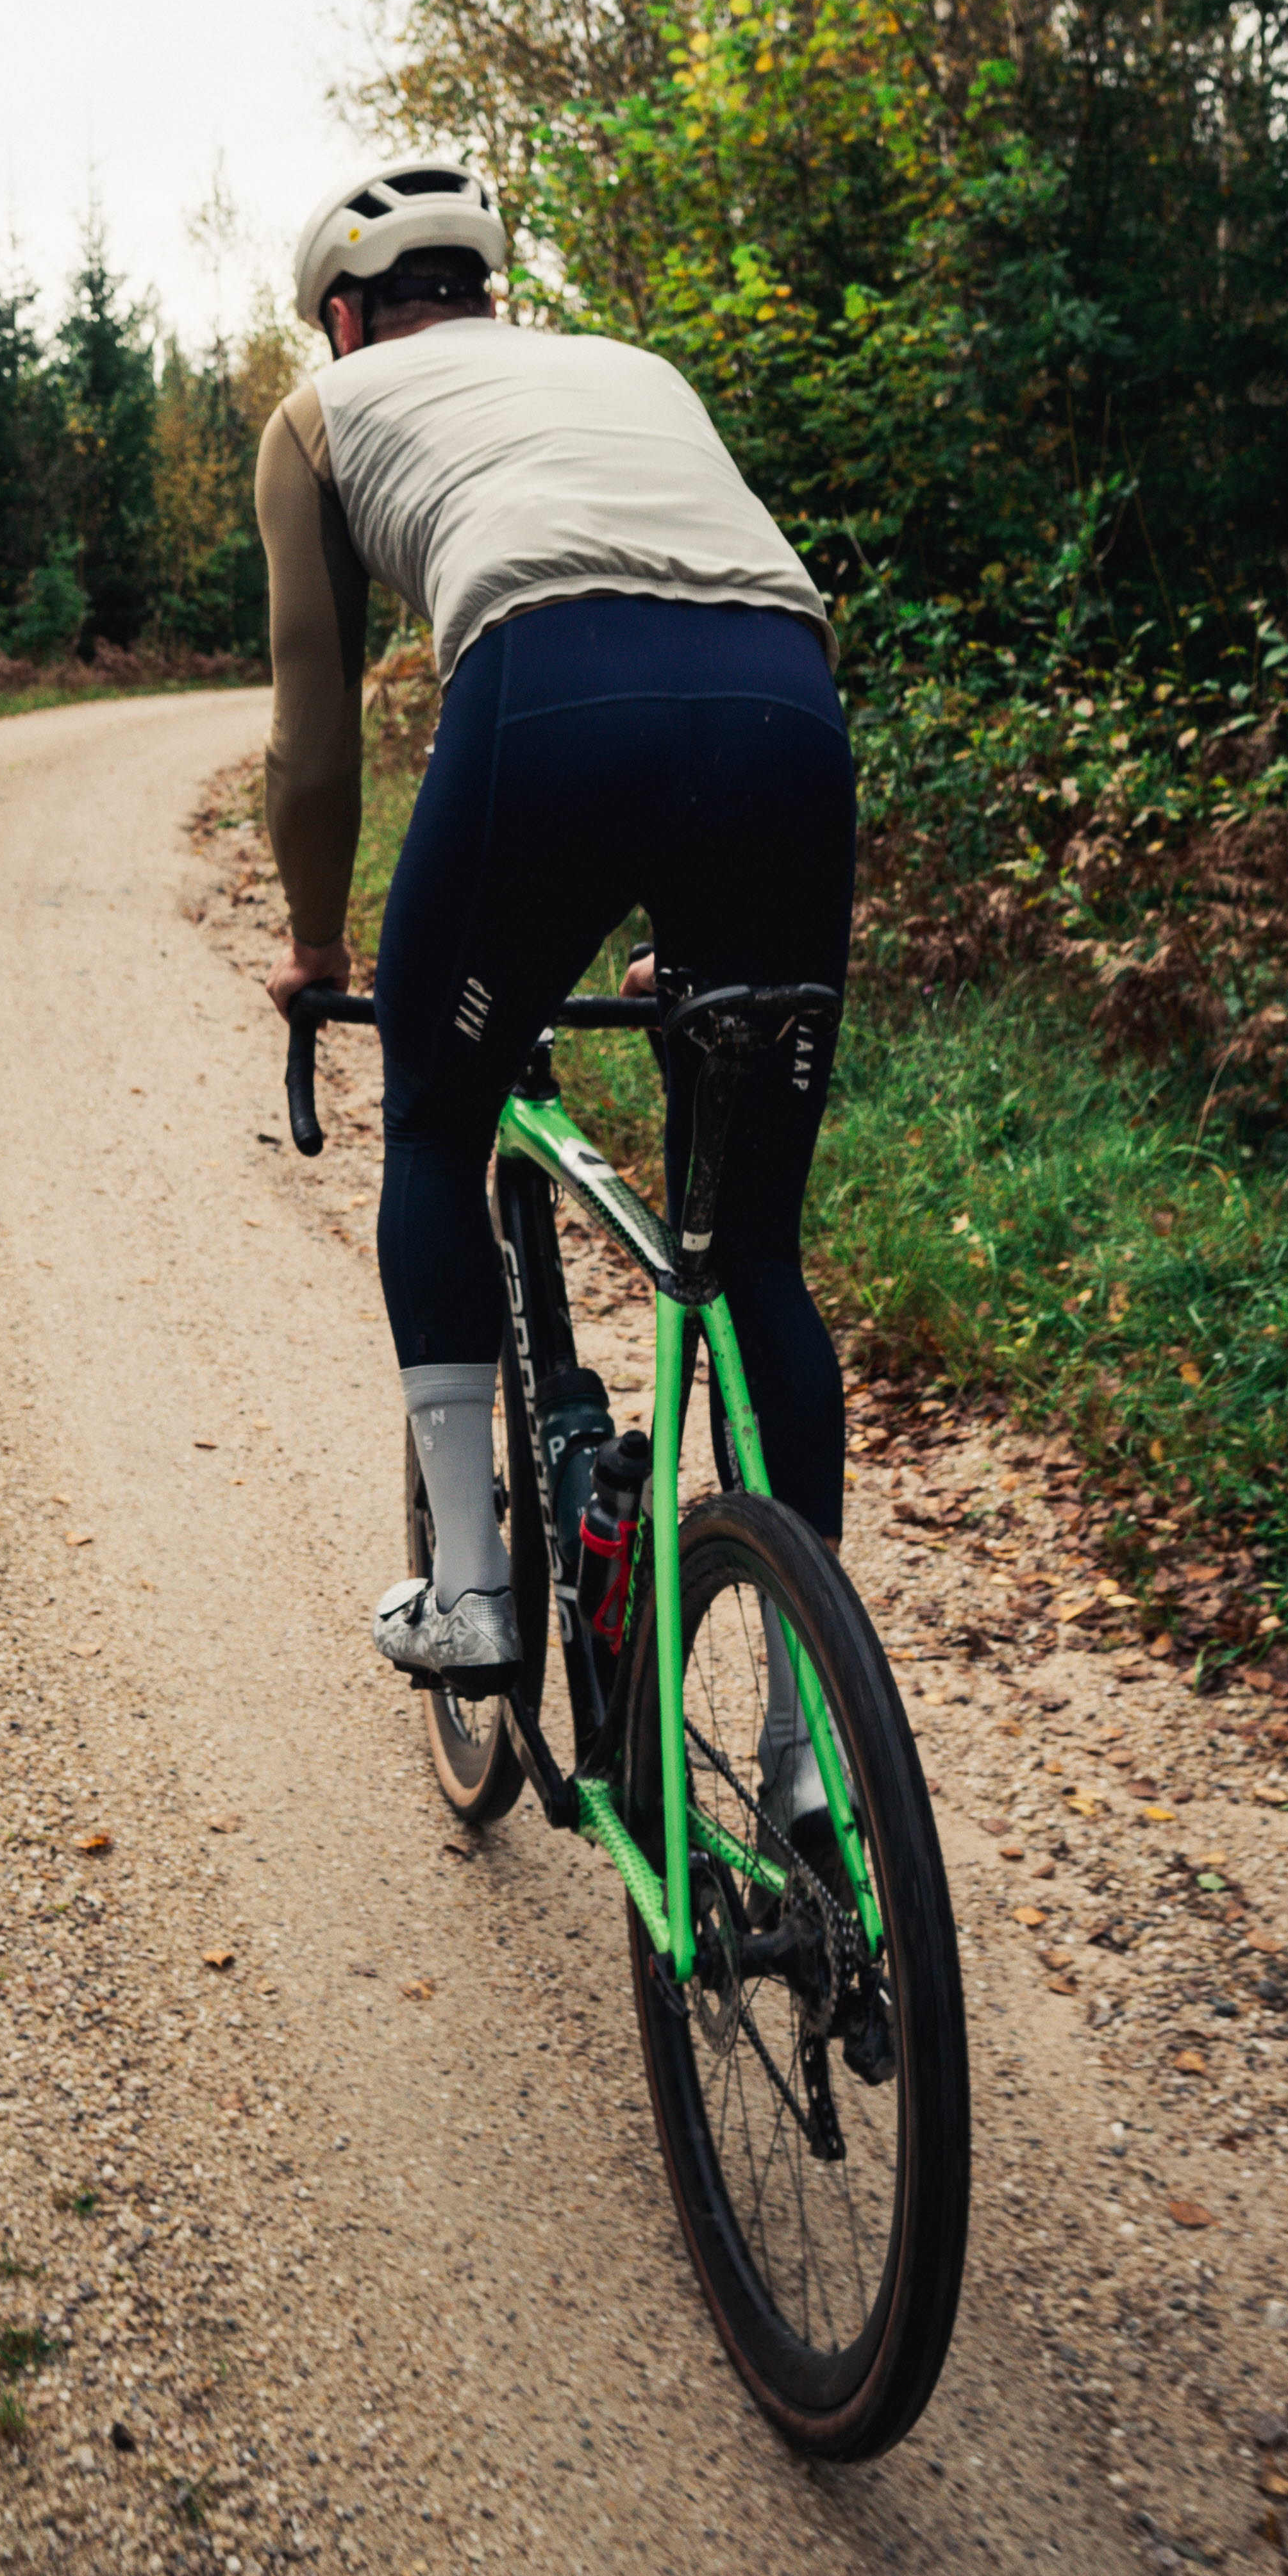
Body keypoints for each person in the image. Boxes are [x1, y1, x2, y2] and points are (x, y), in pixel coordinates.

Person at [256, 156, 853, 1834]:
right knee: (759, 1256)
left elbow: (312, 735)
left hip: (545, 706)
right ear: (494, 298)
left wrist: (317, 951)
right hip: (785, 712)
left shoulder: (324, 411)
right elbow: (710, 617)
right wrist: (702, 930)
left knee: (437, 1128)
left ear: (347, 316)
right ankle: (814, 1752)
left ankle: (469, 1588)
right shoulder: (635, 375)